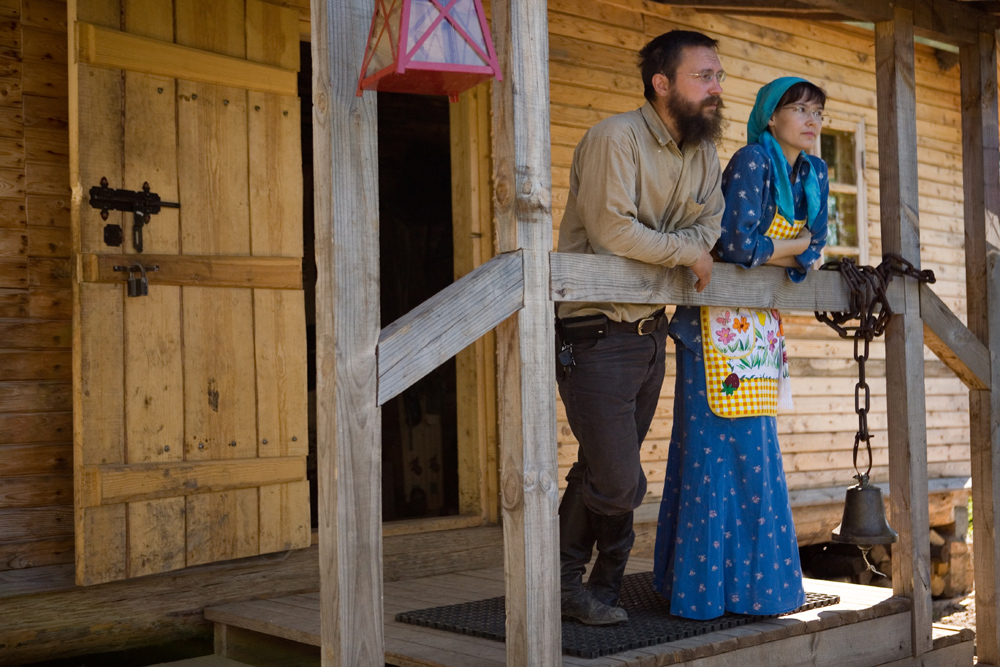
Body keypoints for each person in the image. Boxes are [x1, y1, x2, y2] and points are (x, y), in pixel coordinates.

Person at [555, 30, 727, 626]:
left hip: (651, 334)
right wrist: (683, 254)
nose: (716, 88)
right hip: (595, 331)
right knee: (620, 477)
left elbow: (711, 230)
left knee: (601, 468)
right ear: (662, 82)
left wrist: (683, 249)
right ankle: (583, 584)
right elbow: (613, 234)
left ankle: (584, 591)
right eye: (703, 76)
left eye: (718, 76)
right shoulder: (615, 138)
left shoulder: (704, 154)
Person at [651, 77, 829, 620]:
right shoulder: (753, 161)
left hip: (757, 330)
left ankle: (759, 591)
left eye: (817, 111)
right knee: (708, 459)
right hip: (711, 324)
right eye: (797, 109)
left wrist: (786, 250)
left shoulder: (815, 173)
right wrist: (794, 248)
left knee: (758, 458)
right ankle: (701, 593)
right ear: (770, 118)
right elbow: (734, 244)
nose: (810, 119)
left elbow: (818, 245)